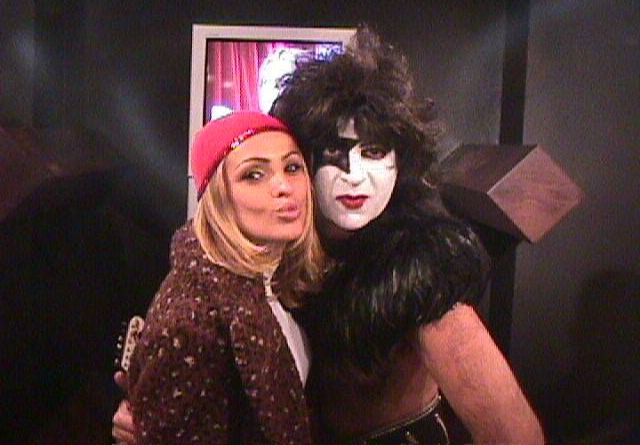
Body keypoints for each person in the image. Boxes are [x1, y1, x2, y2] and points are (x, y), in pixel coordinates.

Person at [114, 30, 544, 444]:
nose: (354, 175)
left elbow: (515, 435)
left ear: (401, 161)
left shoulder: (417, 272)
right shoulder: (277, 256)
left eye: (373, 151)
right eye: (333, 153)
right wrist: (161, 414)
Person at [114, 110, 324, 444]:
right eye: (254, 175)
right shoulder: (191, 321)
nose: (284, 186)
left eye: (292, 167)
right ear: (217, 198)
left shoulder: (274, 281)